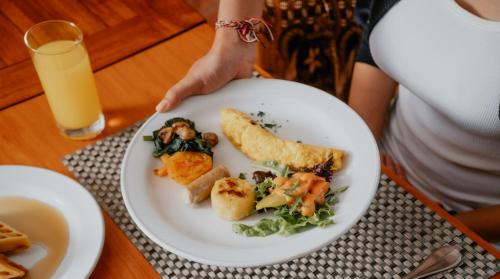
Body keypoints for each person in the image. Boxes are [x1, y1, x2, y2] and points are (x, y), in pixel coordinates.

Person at [155, 0, 500, 243]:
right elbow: (384, 43)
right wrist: (230, 45)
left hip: (468, 228)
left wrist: (443, 224)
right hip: (376, 177)